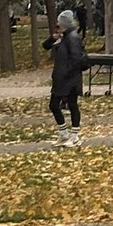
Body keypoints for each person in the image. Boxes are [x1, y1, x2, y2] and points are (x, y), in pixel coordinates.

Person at [43, 9, 85, 147]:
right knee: (56, 105)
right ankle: (64, 134)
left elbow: (76, 59)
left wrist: (67, 75)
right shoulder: (63, 37)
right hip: (62, 78)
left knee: (70, 105)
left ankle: (74, 135)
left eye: (59, 24)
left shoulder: (72, 37)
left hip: (69, 78)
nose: (57, 26)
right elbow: (46, 46)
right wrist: (53, 38)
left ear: (64, 24)